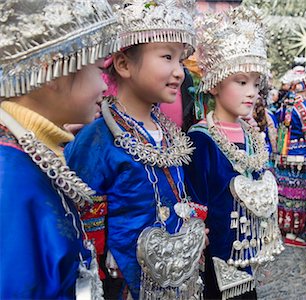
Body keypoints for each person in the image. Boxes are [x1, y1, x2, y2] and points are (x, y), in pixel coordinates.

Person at [64, 1, 205, 298]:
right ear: (124, 64)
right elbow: (80, 228)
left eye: (181, 60)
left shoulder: (167, 131)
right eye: (167, 57)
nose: (179, 72)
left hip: (177, 278)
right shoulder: (97, 139)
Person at [0, 0, 117, 297]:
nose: (105, 86)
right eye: (96, 68)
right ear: (53, 67)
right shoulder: (11, 179)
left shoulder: (33, 154)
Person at [184, 7, 284, 299]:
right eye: (241, 82)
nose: (252, 92)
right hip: (215, 260)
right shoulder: (201, 139)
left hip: (249, 255)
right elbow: (196, 204)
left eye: (255, 83)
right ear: (215, 83)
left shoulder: (252, 134)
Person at [275, 57, 306, 247]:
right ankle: (294, 233)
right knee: (298, 195)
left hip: (285, 153)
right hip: (301, 156)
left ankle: (284, 228)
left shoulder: (287, 103)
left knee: (286, 193)